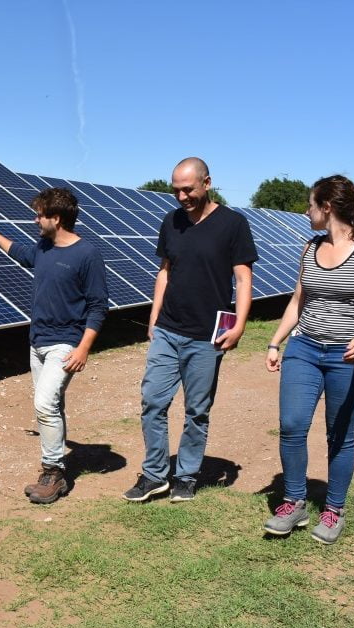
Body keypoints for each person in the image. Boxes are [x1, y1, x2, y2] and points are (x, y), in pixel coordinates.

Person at [123, 157, 257, 503]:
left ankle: (186, 475)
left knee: (197, 410)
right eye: (176, 190)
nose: (181, 197)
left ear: (207, 183)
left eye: (188, 189)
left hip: (206, 335)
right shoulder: (171, 222)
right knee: (153, 402)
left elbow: (243, 279)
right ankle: (154, 475)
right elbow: (164, 271)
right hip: (168, 328)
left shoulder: (233, 224)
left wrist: (239, 324)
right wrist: (153, 318)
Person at [262, 175, 354, 544]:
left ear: (326, 207)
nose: (306, 211)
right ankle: (294, 501)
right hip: (305, 348)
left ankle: (334, 510)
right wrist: (275, 341)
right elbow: (298, 302)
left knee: (340, 435)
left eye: (310, 204)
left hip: (348, 355)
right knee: (292, 425)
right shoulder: (310, 246)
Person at [0, 187, 108, 504]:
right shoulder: (44, 247)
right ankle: (54, 469)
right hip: (37, 342)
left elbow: (98, 306)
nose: (35, 220)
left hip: (65, 343)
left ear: (56, 218)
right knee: (52, 405)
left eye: (39, 215)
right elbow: (23, 254)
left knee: (45, 404)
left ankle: (54, 473)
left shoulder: (86, 254)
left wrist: (84, 347)